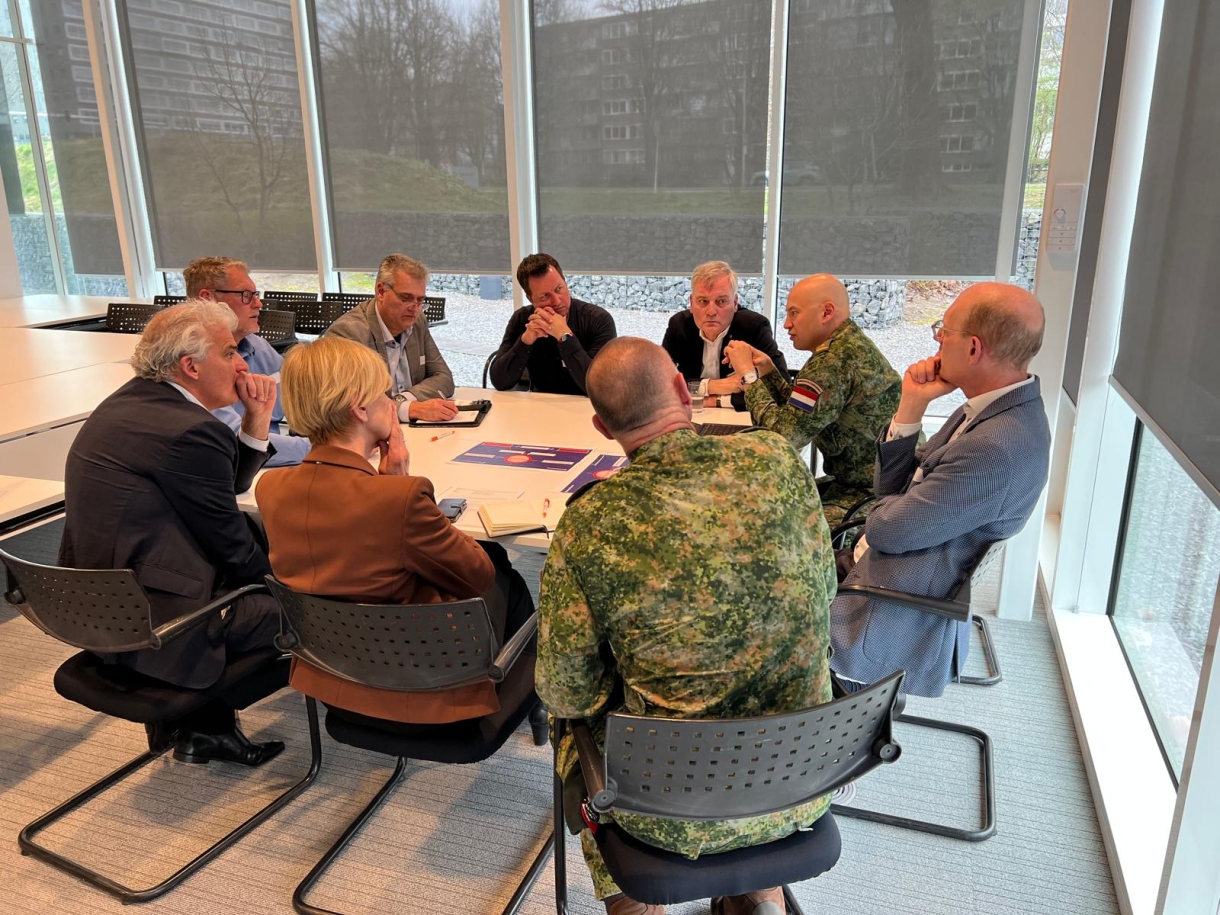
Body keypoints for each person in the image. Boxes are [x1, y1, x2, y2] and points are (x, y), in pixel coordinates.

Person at [536, 337, 837, 915]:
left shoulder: (591, 520)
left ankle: (634, 904)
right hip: (802, 780)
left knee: (573, 720)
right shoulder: (778, 460)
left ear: (602, 427)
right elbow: (824, 595)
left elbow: (568, 691)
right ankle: (759, 894)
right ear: (682, 389)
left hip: (667, 815)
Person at [256, 336, 535, 724]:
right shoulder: (399, 498)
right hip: (425, 691)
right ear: (359, 407)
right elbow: (478, 577)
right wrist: (399, 486)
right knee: (499, 565)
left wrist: (392, 488)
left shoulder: (270, 489)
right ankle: (530, 695)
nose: (392, 403)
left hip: (335, 680)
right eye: (385, 393)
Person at [59, 301, 285, 766]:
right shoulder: (191, 430)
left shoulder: (129, 402)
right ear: (190, 367)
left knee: (247, 546)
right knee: (296, 610)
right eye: (230, 353)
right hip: (157, 621)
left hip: (99, 603)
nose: (243, 365)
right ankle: (205, 723)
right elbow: (232, 546)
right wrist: (287, 591)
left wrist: (256, 418)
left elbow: (223, 485)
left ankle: (201, 728)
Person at [831, 282, 1051, 697]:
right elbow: (892, 488)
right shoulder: (992, 408)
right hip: (872, 565)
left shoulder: (995, 448)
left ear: (973, 348)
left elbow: (885, 530)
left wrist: (891, 507)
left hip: (880, 603)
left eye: (943, 330)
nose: (936, 339)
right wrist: (911, 407)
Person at [724, 274, 901, 526]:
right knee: (766, 500)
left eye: (794, 313)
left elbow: (784, 437)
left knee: (767, 524)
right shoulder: (846, 347)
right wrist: (769, 372)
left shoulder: (832, 361)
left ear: (826, 312)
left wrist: (748, 376)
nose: (787, 324)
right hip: (873, 486)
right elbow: (801, 415)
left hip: (868, 498)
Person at [186, 255, 310, 466]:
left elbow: (301, 398)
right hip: (236, 471)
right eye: (245, 295)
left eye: (256, 294)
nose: (258, 303)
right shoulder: (194, 362)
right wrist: (324, 450)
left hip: (275, 463)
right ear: (207, 299)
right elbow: (236, 441)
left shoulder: (257, 345)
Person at [325, 253, 458, 423]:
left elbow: (444, 377)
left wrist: (404, 399)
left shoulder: (417, 322)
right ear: (381, 292)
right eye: (406, 298)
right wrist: (407, 409)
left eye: (420, 300)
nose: (414, 308)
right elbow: (349, 406)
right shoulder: (349, 333)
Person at [660, 260, 787, 411]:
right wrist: (713, 386)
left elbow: (780, 389)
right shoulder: (679, 326)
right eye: (703, 301)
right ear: (691, 303)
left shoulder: (754, 327)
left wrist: (716, 400)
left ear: (735, 303)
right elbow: (658, 383)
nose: (711, 312)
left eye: (721, 301)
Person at [489, 253, 617, 395]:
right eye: (545, 296)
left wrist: (564, 336)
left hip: (586, 404)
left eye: (559, 289)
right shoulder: (522, 320)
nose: (557, 301)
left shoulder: (599, 320)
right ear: (531, 299)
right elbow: (499, 382)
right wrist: (525, 341)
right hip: (539, 404)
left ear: (565, 282)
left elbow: (600, 386)